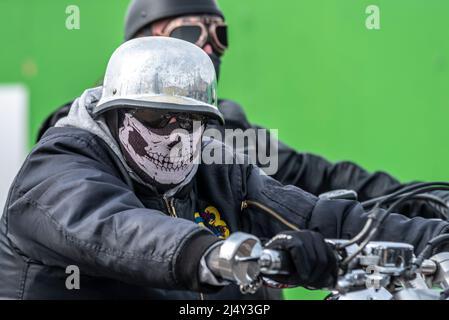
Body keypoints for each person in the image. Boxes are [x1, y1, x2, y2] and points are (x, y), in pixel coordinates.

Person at [1, 37, 448, 300]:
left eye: (194, 121)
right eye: (158, 118)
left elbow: (315, 214)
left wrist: (430, 238)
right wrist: (211, 253)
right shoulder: (58, 170)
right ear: (115, 116)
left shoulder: (216, 168)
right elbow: (117, 228)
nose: (178, 134)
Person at [36, 0, 449, 220]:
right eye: (188, 31)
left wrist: (425, 203)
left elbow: (314, 176)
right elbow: (104, 224)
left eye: (220, 34)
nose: (209, 45)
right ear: (141, 43)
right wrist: (199, 255)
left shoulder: (230, 127)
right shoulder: (90, 131)